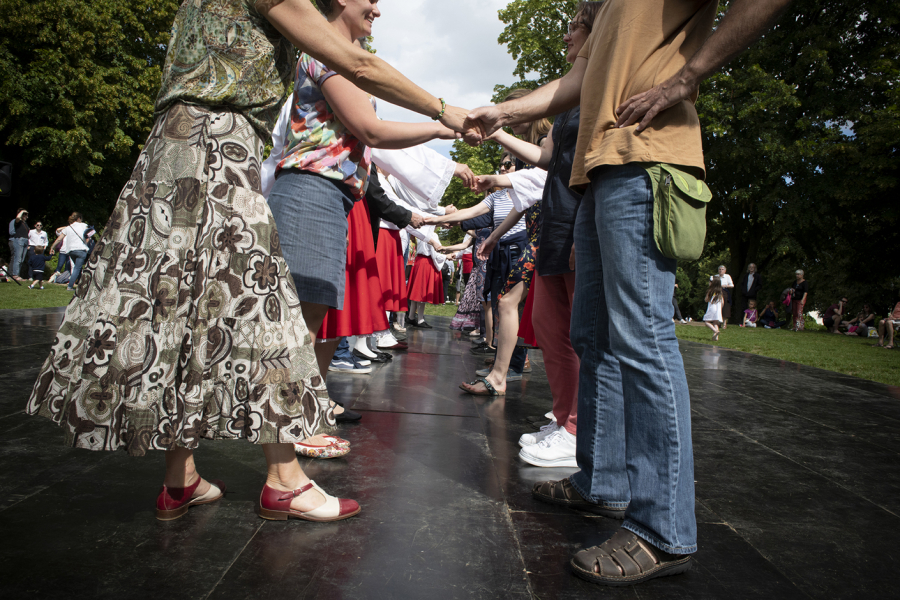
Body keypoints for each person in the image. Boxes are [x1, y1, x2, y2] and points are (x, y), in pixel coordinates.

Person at [26, 0, 477, 525]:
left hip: (172, 149)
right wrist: (446, 112)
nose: (375, 5)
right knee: (266, 309)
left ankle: (181, 478)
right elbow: (359, 66)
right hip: (217, 150)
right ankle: (284, 482)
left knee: (183, 309)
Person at [466, 0, 793, 586]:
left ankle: (664, 530)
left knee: (642, 336)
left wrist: (687, 78)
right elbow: (579, 79)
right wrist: (505, 111)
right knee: (594, 336)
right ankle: (603, 481)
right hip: (597, 173)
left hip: (646, 161)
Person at [266, 0, 461, 379]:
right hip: (311, 191)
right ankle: (291, 433)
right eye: (371, 0)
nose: (377, 9)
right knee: (301, 323)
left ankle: (305, 420)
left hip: (330, 196)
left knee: (317, 314)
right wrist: (441, 125)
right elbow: (371, 129)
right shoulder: (326, 53)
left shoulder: (345, 56)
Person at [52, 212, 91, 292]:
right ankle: (70, 286)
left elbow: (59, 239)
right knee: (77, 268)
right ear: (79, 218)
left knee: (78, 268)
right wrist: (85, 244)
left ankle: (81, 284)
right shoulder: (83, 225)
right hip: (81, 250)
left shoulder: (68, 228)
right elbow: (89, 236)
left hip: (70, 251)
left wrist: (52, 247)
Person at [9, 209, 29, 280]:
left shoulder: (25, 223)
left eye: (26, 214)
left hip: (26, 241)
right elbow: (18, 218)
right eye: (24, 214)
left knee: (22, 259)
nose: (26, 216)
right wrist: (22, 211)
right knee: (18, 258)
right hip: (19, 240)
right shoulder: (17, 222)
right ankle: (15, 275)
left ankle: (18, 274)